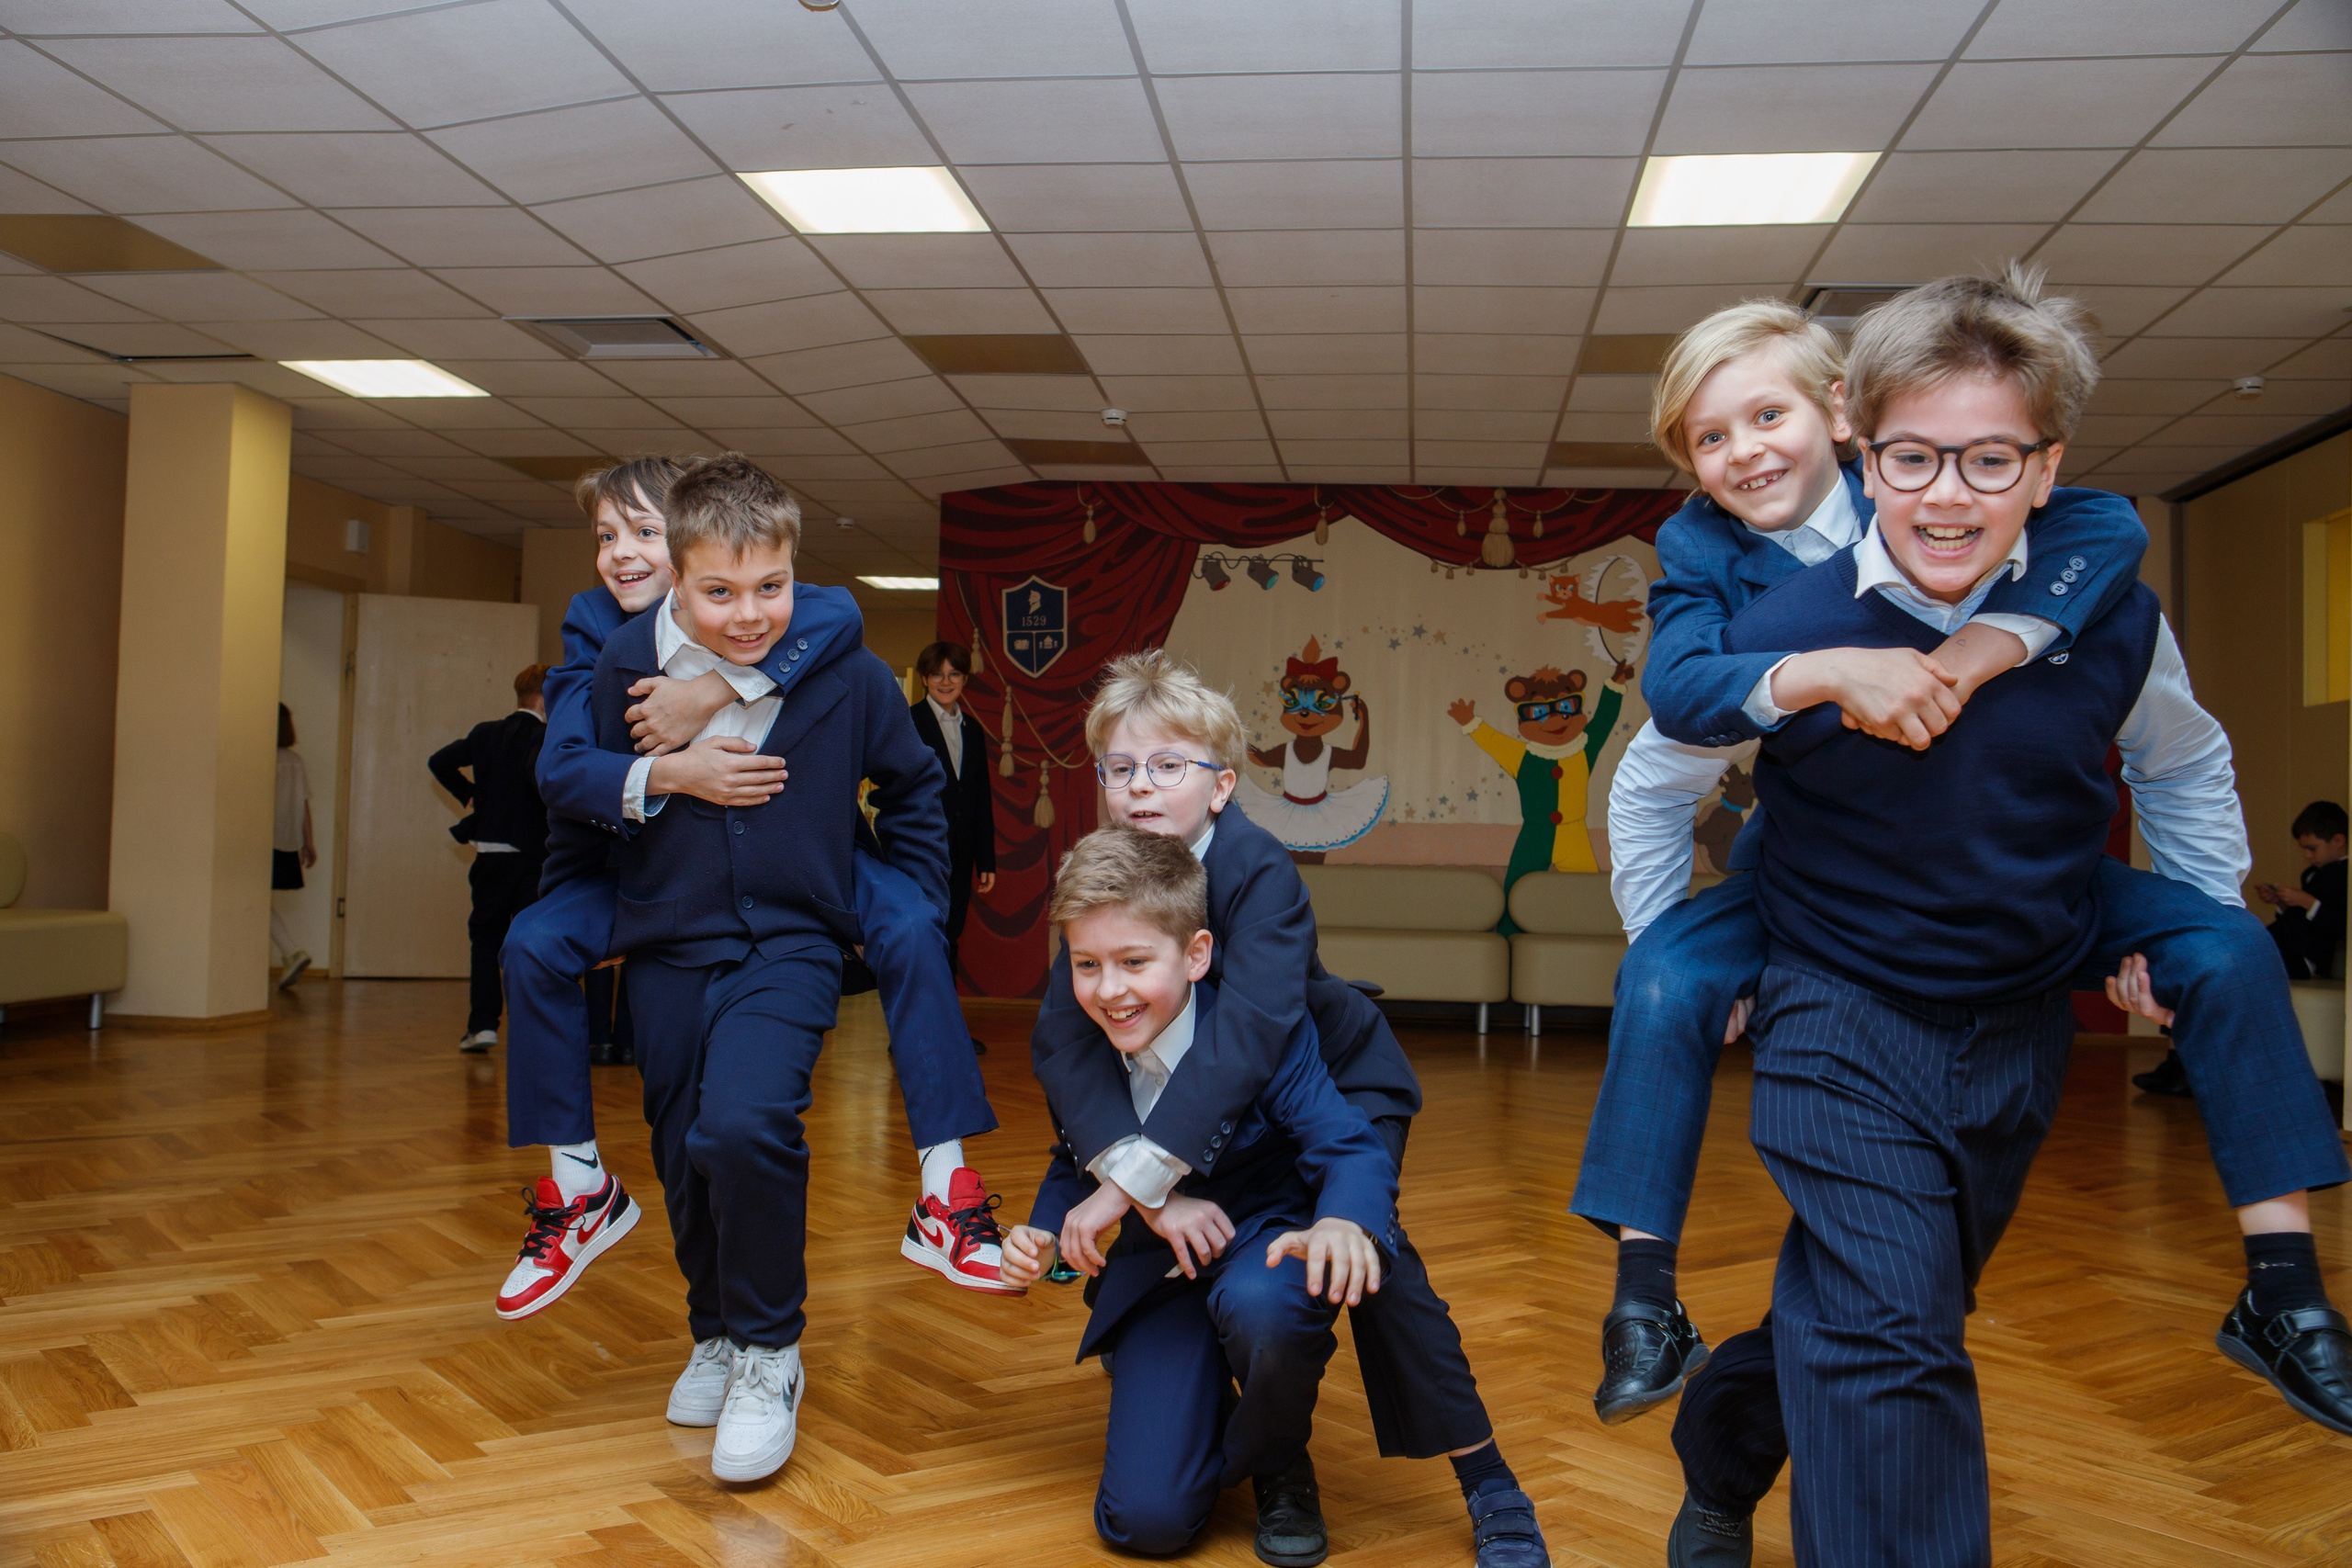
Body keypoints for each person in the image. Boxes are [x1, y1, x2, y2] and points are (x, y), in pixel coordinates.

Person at [1574, 286, 2352, 1453]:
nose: (1743, 453)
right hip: (1825, 915)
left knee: (2225, 948)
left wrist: (1993, 645)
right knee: (1671, 988)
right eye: (1708, 437)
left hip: (2024, 903)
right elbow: (1667, 728)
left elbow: (2131, 596)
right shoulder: (1723, 567)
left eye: (1766, 415)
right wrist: (1818, 672)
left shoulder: (2070, 555)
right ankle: (1643, 1299)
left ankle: (2283, 1287)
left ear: (1840, 418)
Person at [1031, 650, 1549, 1568]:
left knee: (1372, 1255)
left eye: (1165, 766)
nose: (1139, 787)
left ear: (1222, 786)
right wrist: (1124, 1180)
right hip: (1209, 1123)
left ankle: (1488, 1479)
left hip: (1328, 1078)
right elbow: (1066, 1045)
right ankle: (1256, 1436)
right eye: (1119, 769)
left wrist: (1138, 1182)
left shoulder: (1257, 869)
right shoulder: (1107, 877)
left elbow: (1254, 1034)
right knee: (1158, 1483)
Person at [491, 459, 1007, 1324]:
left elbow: (834, 618)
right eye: (608, 538)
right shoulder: (604, 646)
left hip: (799, 905)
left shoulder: (826, 637)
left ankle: (923, 1203)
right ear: (688, 577)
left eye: (644, 534)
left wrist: (715, 686)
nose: (626, 557)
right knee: (667, 1122)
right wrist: (672, 772)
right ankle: (663, 1278)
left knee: (763, 1103)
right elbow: (566, 779)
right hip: (655, 904)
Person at [582, 454, 980, 1483]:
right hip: (667, 948)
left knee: (745, 1124)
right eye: (720, 591)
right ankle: (713, 1328)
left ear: (797, 572)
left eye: (772, 588)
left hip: (789, 945)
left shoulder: (840, 673)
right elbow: (579, 795)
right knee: (680, 1149)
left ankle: (769, 1351)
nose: (750, 614)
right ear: (674, 577)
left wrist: (909, 907)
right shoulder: (622, 664)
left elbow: (913, 790)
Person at [1002, 826, 1396, 1564]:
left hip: (1263, 1246)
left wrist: (1345, 1218)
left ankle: (1279, 1452)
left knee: (1262, 1306)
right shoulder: (1084, 1047)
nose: (1109, 989)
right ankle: (1189, 1387)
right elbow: (1073, 1158)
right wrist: (1045, 1234)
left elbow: (1349, 1144)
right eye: (1086, 965)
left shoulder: (1261, 1034)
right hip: (1163, 1274)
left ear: (1197, 954)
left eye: (1133, 962)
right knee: (1144, 1524)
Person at [2138, 800, 2352, 1095]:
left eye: (2312, 848)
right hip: (2285, 945)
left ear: (2338, 840)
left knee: (2218, 967)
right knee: (2204, 964)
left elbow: (2339, 924)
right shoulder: (2314, 875)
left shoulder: (2345, 876)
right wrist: (2282, 903)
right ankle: (2179, 1061)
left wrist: (2305, 902)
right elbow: (2303, 922)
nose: (2306, 855)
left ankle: (2187, 1065)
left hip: (2303, 957)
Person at [428, 665, 551, 1054]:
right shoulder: (549, 738)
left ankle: (482, 1025)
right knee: (533, 943)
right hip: (534, 860)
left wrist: (470, 795)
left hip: (491, 859)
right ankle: (534, 1029)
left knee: (485, 940)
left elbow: (439, 761)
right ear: (548, 698)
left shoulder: (486, 734)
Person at [908, 640, 997, 1009]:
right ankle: (913, 1030)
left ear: (964, 679)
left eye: (954, 674)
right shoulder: (908, 723)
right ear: (925, 679)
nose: (946, 682)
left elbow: (980, 798)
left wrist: (986, 859)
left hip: (960, 854)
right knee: (922, 936)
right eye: (937, 675)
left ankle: (944, 1026)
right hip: (918, 850)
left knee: (950, 935)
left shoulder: (973, 730)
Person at [270, 703, 317, 991]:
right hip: (286, 842)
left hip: (262, 840)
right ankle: (290, 951)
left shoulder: (262, 759)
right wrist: (308, 842)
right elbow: (303, 805)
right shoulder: (294, 760)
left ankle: (291, 951)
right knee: (258, 901)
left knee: (252, 900)